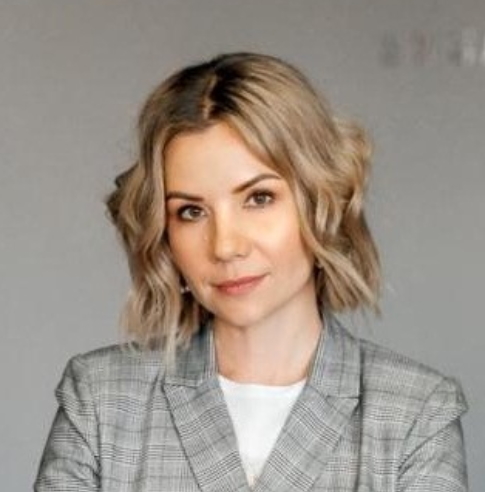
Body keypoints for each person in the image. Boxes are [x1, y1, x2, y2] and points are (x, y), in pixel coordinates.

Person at [35, 52, 468, 491]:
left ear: (321, 202)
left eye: (259, 199)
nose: (225, 246)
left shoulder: (415, 413)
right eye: (191, 212)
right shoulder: (102, 400)